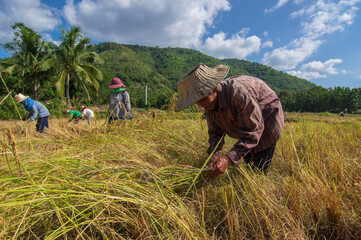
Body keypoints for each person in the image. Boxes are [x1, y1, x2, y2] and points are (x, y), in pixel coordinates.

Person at [175, 63, 284, 178]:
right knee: (247, 157)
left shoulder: (237, 94)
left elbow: (253, 131)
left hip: (267, 117)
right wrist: (213, 159)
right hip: (247, 123)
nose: (200, 105)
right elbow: (215, 136)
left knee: (258, 168)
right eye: (196, 101)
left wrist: (227, 159)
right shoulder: (209, 106)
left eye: (202, 99)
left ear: (214, 88)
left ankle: (259, 182)